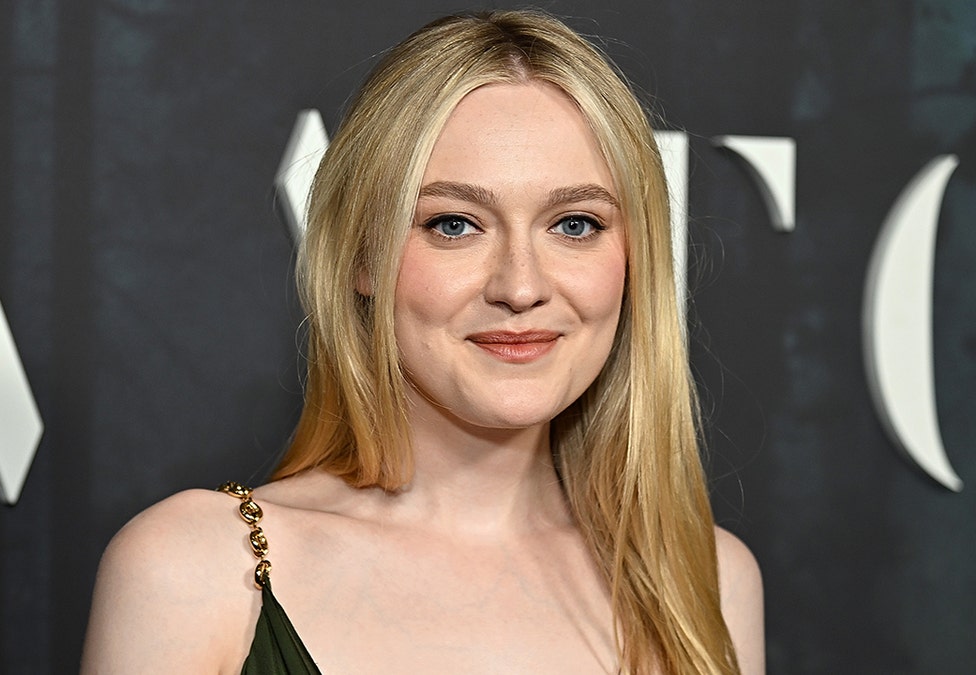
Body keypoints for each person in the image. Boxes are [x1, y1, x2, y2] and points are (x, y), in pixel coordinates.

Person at [82, 9, 763, 674]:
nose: (520, 287)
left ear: (636, 258)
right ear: (362, 256)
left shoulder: (705, 580)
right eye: (455, 224)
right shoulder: (198, 570)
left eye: (576, 224)